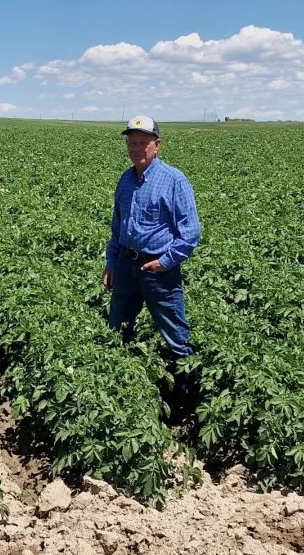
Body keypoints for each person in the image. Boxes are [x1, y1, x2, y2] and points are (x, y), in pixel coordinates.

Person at [102, 115, 202, 424]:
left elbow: (191, 233)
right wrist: (111, 262)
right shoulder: (126, 179)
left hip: (158, 270)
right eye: (132, 143)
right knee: (117, 330)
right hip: (126, 266)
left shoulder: (174, 180)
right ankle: (121, 393)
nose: (136, 148)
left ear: (156, 146)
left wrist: (165, 261)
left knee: (176, 336)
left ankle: (185, 407)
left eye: (143, 143)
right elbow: (118, 226)